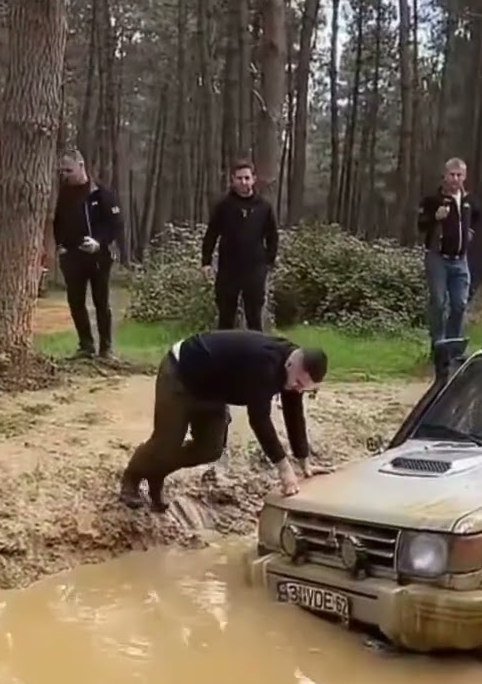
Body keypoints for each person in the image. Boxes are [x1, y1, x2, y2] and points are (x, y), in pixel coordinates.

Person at [119, 329, 328, 511]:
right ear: (292, 362)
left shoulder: (293, 371)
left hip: (214, 390)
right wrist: (284, 469)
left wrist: (304, 461)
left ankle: (156, 471)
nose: (298, 389)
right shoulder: (265, 365)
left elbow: (294, 413)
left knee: (210, 448)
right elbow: (259, 419)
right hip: (182, 372)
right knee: (166, 441)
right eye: (298, 383)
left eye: (304, 388)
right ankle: (132, 476)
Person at [53, 150, 123, 359]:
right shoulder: (64, 193)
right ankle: (86, 345)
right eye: (62, 170)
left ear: (81, 166)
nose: (65, 174)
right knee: (76, 302)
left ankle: (106, 348)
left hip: (98, 257)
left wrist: (99, 242)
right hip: (72, 257)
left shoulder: (101, 193)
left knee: (101, 301)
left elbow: (116, 225)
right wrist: (61, 246)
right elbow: (57, 222)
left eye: (69, 170)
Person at [201, 160, 278, 331]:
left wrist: (268, 262)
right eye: (239, 178)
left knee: (254, 318)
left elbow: (272, 236)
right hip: (228, 269)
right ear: (232, 180)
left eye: (247, 178)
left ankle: (257, 355)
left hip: (255, 269)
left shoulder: (264, 207)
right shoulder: (223, 206)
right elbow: (211, 234)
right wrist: (206, 262)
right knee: (225, 317)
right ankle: (224, 355)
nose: (243, 182)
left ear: (254, 179)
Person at [418, 157, 481, 352]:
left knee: (459, 304)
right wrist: (434, 218)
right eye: (451, 175)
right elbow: (420, 224)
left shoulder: (469, 201)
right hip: (437, 258)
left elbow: (478, 217)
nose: (455, 179)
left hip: (460, 260)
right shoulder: (432, 200)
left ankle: (454, 348)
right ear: (444, 176)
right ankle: (438, 346)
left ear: (464, 177)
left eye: (459, 175)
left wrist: (471, 232)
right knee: (438, 302)